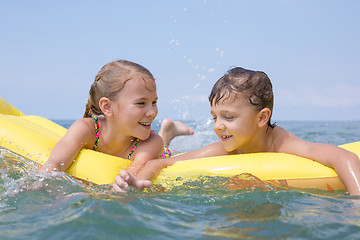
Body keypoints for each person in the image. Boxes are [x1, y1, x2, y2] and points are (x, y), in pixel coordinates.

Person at [115, 67, 360, 195]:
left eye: (228, 117)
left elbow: (345, 157)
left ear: (262, 118)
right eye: (214, 117)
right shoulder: (229, 146)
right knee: (168, 153)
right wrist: (138, 183)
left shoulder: (283, 144)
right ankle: (168, 133)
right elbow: (161, 164)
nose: (218, 126)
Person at [40, 60, 193, 189]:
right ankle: (168, 130)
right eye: (141, 103)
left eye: (154, 102)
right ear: (107, 107)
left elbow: (130, 177)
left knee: (164, 145)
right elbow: (54, 164)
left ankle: (167, 134)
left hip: (160, 153)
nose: (152, 112)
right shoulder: (86, 129)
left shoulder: (152, 142)